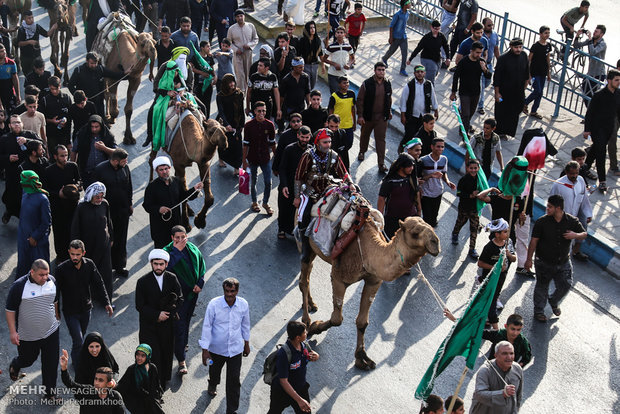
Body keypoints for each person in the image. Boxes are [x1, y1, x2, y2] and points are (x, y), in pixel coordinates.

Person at [294, 128, 354, 260]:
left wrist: (351, 183)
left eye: (329, 142)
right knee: (303, 216)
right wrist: (297, 197)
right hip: (309, 191)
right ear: (317, 143)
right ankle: (305, 247)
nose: (328, 144)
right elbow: (298, 177)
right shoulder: (307, 156)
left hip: (327, 189)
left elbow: (343, 173)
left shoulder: (333, 156)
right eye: (325, 142)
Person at [525, 195, 586, 322]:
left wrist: (575, 235)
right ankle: (539, 311)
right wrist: (529, 259)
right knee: (542, 286)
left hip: (563, 262)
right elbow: (533, 241)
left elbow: (584, 233)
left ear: (558, 208)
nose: (547, 208)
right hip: (543, 262)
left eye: (550, 207)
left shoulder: (571, 221)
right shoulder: (542, 222)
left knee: (566, 284)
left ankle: (553, 300)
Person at [6, 259, 60, 401]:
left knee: (51, 363)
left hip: (51, 332)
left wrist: (56, 317)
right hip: (28, 335)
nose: (45, 278)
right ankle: (16, 364)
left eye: (47, 274)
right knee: (27, 360)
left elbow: (54, 301)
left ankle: (50, 393)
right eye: (41, 275)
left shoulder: (52, 281)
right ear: (32, 272)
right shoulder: (19, 286)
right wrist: (13, 332)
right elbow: (10, 310)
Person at [56, 240, 113, 365]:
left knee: (79, 339)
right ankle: (78, 368)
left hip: (86, 310)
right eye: (72, 254)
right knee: (79, 341)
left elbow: (99, 283)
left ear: (83, 253)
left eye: (78, 254)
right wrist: (56, 312)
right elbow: (56, 292)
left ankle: (75, 358)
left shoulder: (89, 265)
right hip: (70, 312)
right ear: (69, 253)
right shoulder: (62, 269)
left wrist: (106, 302)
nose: (75, 257)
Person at [200, 277, 251, 414]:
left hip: (235, 350)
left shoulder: (243, 305)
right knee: (214, 370)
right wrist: (205, 350)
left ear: (237, 291)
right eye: (227, 291)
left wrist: (246, 343)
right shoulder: (213, 305)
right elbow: (206, 327)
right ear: (223, 290)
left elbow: (245, 325)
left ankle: (231, 409)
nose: (229, 294)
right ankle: (213, 383)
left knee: (234, 380)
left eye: (232, 291)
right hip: (216, 349)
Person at [136, 249, 184, 388]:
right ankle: (152, 384)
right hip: (149, 326)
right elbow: (140, 305)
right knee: (152, 356)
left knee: (165, 353)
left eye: (161, 264)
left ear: (166, 264)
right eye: (155, 264)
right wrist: (157, 315)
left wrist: (168, 313)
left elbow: (180, 299)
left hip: (167, 326)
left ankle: (162, 381)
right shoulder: (142, 282)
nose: (158, 267)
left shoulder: (172, 278)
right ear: (151, 263)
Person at [162, 225, 206, 375]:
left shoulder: (193, 249)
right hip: (177, 299)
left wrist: (200, 282)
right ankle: (181, 360)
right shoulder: (167, 253)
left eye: (183, 237)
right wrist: (177, 252)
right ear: (172, 239)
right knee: (180, 326)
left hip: (192, 295)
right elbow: (164, 272)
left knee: (186, 320)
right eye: (177, 238)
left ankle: (183, 344)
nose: (181, 240)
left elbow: (201, 265)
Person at [143, 155, 204, 247]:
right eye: (161, 170)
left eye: (166, 169)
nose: (164, 172)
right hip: (160, 228)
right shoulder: (152, 187)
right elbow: (147, 205)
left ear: (169, 168)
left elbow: (183, 197)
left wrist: (194, 189)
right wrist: (159, 209)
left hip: (175, 224)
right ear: (157, 171)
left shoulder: (176, 181)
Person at [71, 182, 114, 302]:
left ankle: (106, 300)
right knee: (87, 272)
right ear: (91, 196)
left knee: (106, 273)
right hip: (88, 246)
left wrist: (111, 239)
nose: (100, 199)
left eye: (101, 196)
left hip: (103, 244)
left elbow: (108, 222)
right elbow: (75, 228)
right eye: (97, 197)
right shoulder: (81, 207)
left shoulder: (104, 204)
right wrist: (76, 247)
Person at [93, 148, 133, 277]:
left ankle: (120, 265)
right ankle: (105, 267)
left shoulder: (125, 168)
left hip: (122, 210)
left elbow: (129, 186)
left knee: (121, 239)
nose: (125, 163)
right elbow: (94, 191)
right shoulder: (100, 169)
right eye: (123, 161)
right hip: (106, 212)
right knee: (107, 239)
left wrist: (130, 204)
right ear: (115, 161)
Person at [268, 321, 319, 414]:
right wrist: (299, 400)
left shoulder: (303, 344)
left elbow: (309, 355)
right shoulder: (284, 354)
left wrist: (316, 356)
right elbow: (283, 381)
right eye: (304, 332)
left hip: (300, 387)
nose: (307, 333)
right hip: (281, 392)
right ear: (297, 337)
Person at [583, 69, 620, 192]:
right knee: (601, 153)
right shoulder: (599, 95)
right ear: (609, 80)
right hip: (597, 129)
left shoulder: (618, 94)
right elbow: (590, 113)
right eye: (616, 80)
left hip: (609, 128)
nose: (618, 82)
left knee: (596, 149)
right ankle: (603, 181)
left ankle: (584, 168)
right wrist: (587, 130)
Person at [0, 115, 41, 223]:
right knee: (11, 198)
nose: (17, 124)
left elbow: (41, 147)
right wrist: (7, 158)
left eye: (18, 122)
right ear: (9, 125)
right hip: (12, 175)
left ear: (22, 124)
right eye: (14, 123)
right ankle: (9, 212)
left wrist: (27, 141)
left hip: (29, 174)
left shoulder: (30, 135)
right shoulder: (4, 139)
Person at [42, 145, 80, 262]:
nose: (65, 158)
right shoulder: (49, 171)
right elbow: (45, 190)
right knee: (59, 233)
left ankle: (72, 255)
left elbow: (78, 180)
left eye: (66, 155)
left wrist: (76, 186)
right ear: (55, 156)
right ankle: (61, 256)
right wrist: (58, 194)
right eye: (62, 156)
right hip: (57, 208)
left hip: (72, 206)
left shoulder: (72, 166)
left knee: (72, 232)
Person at [477, 218, 517, 328]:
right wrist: (495, 268)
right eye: (504, 232)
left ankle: (484, 317)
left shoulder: (509, 244)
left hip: (502, 277)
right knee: (492, 297)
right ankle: (494, 323)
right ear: (497, 234)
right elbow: (480, 263)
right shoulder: (489, 247)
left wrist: (509, 254)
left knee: (492, 296)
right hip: (490, 277)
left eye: (507, 231)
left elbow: (514, 259)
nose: (507, 234)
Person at [551, 161, 592, 262]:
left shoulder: (581, 180)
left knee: (579, 234)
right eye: (571, 174)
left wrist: (588, 213)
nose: (574, 176)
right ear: (566, 172)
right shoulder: (558, 184)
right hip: (561, 219)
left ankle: (574, 252)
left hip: (574, 217)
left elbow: (584, 198)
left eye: (576, 173)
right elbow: (551, 204)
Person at [59, 349, 125, 412]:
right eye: (96, 379)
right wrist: (64, 368)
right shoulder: (87, 391)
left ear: (108, 383)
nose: (96, 383)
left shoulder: (115, 397)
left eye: (101, 380)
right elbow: (70, 383)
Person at [356, 61, 392, 172]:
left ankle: (381, 163)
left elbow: (389, 98)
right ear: (374, 71)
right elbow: (360, 100)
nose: (381, 72)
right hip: (368, 117)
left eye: (383, 70)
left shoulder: (387, 83)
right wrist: (360, 115)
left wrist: (388, 111)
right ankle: (362, 151)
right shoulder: (367, 83)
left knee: (381, 140)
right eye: (379, 70)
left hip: (382, 118)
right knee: (365, 135)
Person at [68, 52, 128, 119]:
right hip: (84, 105)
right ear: (87, 61)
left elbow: (114, 75)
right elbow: (70, 85)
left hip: (98, 105)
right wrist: (79, 98)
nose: (94, 65)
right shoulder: (79, 71)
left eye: (95, 63)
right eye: (91, 63)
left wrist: (125, 73)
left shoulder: (100, 69)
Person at [242, 101, 276, 215]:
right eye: (259, 111)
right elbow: (245, 144)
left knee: (268, 182)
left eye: (264, 111)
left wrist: (277, 158)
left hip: (265, 158)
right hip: (253, 158)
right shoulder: (248, 126)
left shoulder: (270, 125)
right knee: (253, 182)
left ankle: (265, 203)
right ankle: (255, 202)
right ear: (254, 112)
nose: (262, 113)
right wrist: (244, 161)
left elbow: (272, 143)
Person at [277, 126, 311, 239]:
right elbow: (282, 168)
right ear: (298, 136)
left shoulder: (311, 151)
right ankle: (281, 229)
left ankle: (294, 229)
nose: (304, 140)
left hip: (303, 187)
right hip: (288, 185)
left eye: (307, 137)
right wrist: (284, 185)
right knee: (284, 208)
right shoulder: (289, 149)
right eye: (302, 137)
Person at [450, 41, 491, 137]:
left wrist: (484, 69)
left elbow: (489, 75)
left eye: (480, 52)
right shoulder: (464, 61)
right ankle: (465, 134)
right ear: (471, 51)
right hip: (464, 92)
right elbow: (456, 76)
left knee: (470, 113)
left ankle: (463, 127)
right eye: (477, 52)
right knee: (466, 114)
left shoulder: (481, 62)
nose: (479, 55)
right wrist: (453, 92)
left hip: (476, 92)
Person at [470, 341, 522, 414]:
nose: (509, 357)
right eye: (504, 353)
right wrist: (503, 393)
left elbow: (518, 395)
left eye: (511, 353)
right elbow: (479, 394)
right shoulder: (485, 371)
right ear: (496, 355)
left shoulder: (517, 369)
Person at [378, 153, 421, 239]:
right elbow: (382, 199)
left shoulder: (412, 179)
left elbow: (417, 194)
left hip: (410, 218)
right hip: (393, 220)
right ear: (401, 167)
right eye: (409, 166)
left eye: (412, 166)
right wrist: (379, 218)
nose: (412, 168)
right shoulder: (389, 181)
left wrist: (419, 211)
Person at [16, 170, 51, 276]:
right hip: (23, 238)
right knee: (23, 268)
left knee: (39, 272)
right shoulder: (25, 193)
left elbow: (46, 222)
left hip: (37, 242)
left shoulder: (42, 199)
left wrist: (35, 237)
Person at [493, 38, 529, 139]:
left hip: (518, 91)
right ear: (511, 47)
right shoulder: (503, 59)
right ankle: (499, 132)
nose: (518, 49)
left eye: (520, 47)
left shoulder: (524, 55)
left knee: (516, 110)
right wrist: (497, 93)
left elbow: (526, 72)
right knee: (502, 112)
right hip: (504, 92)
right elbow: (497, 77)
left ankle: (508, 131)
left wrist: (525, 86)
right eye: (516, 47)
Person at [115, 344, 165, 413]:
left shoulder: (152, 367)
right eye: (137, 354)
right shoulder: (131, 369)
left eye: (143, 356)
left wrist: (154, 398)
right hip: (135, 398)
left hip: (149, 397)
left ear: (148, 356)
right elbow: (122, 385)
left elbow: (155, 385)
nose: (139, 358)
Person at [399, 65, 438, 151]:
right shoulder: (409, 86)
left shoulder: (428, 84)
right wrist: (403, 115)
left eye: (421, 72)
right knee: (409, 135)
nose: (420, 74)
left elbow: (433, 97)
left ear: (424, 73)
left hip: (423, 116)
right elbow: (403, 101)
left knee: (421, 136)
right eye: (418, 72)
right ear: (414, 73)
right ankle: (401, 148)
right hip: (412, 115)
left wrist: (436, 110)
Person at [71, 114, 116, 187]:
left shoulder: (108, 136)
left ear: (101, 126)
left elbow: (116, 152)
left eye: (96, 127)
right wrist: (73, 169)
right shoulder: (82, 135)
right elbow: (74, 151)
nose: (94, 129)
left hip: (104, 172)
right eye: (92, 127)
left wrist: (104, 148)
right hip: (87, 172)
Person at [419, 138, 456, 227]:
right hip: (426, 193)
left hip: (438, 192)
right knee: (426, 218)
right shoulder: (423, 160)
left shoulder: (444, 159)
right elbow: (420, 178)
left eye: (442, 147)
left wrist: (447, 182)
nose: (440, 149)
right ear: (432, 147)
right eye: (438, 147)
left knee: (434, 217)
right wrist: (431, 175)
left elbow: (443, 173)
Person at [451, 159, 482, 259]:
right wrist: (470, 195)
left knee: (474, 228)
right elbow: (459, 193)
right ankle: (455, 233)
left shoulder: (480, 180)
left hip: (474, 209)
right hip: (464, 207)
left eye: (475, 168)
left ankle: (472, 249)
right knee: (460, 222)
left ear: (478, 168)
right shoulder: (463, 180)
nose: (473, 170)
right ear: (467, 168)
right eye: (471, 168)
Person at [216, 73, 244, 170]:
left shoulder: (239, 93)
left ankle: (237, 167)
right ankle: (221, 159)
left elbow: (241, 110)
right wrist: (226, 124)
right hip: (224, 123)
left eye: (233, 81)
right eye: (229, 82)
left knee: (238, 146)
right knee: (224, 144)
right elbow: (221, 111)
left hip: (236, 122)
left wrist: (242, 124)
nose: (232, 84)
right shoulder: (220, 95)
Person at [39, 75, 72, 159]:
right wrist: (51, 121)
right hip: (51, 134)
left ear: (60, 86)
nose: (54, 91)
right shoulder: (45, 100)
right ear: (49, 87)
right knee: (54, 156)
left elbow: (71, 116)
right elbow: (40, 119)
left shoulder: (67, 98)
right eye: (52, 89)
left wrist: (66, 121)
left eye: (56, 89)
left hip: (64, 133)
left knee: (64, 157)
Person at [523, 26, 551, 119]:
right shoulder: (535, 46)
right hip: (535, 72)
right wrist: (529, 74)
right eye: (545, 33)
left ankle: (534, 111)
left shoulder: (548, 46)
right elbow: (529, 60)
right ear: (540, 34)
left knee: (540, 93)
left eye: (548, 33)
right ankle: (525, 103)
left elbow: (548, 59)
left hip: (543, 72)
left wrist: (549, 73)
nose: (547, 35)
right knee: (537, 91)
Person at [575, 24, 607, 106]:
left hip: (599, 74)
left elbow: (593, 52)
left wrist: (589, 39)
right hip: (590, 73)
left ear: (601, 34)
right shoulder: (591, 41)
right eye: (594, 31)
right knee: (584, 92)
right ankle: (589, 114)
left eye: (597, 32)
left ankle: (591, 116)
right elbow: (576, 45)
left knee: (592, 96)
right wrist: (577, 35)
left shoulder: (603, 44)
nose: (594, 33)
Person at [227, 9, 258, 93]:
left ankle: (250, 92)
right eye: (238, 16)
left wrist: (249, 45)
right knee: (240, 75)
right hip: (238, 55)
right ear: (235, 18)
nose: (240, 18)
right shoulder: (231, 29)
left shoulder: (250, 26)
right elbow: (228, 42)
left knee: (249, 73)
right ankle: (241, 93)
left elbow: (255, 39)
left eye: (241, 16)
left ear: (244, 16)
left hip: (248, 53)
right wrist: (236, 50)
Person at [16, 10, 54, 76]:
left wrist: (53, 27)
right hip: (26, 57)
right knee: (28, 75)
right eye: (29, 18)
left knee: (39, 74)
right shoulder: (21, 30)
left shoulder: (37, 27)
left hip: (36, 56)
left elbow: (47, 34)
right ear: (24, 19)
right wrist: (29, 42)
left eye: (32, 17)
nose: (31, 20)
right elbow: (19, 43)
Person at [327, 76, 355, 160]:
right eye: (344, 83)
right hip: (338, 126)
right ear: (339, 84)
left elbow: (353, 108)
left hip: (348, 124)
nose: (346, 84)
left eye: (347, 82)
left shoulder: (352, 94)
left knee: (349, 143)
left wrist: (354, 122)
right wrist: (330, 123)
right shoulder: (334, 96)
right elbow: (330, 109)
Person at [382, 0, 410, 77]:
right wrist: (391, 37)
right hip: (396, 36)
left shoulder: (407, 14)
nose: (410, 5)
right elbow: (391, 26)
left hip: (403, 36)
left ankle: (402, 69)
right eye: (409, 4)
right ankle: (384, 58)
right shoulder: (397, 15)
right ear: (405, 5)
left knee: (405, 53)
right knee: (392, 50)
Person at [323, 26, 355, 94]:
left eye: (341, 32)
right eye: (338, 32)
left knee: (343, 93)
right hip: (333, 74)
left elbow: (352, 58)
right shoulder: (331, 47)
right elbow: (324, 59)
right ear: (335, 34)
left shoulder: (348, 46)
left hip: (343, 73)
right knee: (334, 94)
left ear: (344, 34)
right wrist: (334, 64)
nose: (340, 34)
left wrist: (348, 64)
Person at [297, 21, 324, 92]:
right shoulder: (303, 40)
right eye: (310, 28)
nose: (312, 29)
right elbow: (299, 54)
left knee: (313, 83)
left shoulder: (317, 40)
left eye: (314, 27)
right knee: (307, 84)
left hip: (315, 65)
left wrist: (323, 65)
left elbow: (320, 53)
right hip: (306, 65)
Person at [193, 40, 216, 118]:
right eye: (208, 46)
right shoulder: (196, 57)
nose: (209, 48)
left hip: (208, 85)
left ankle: (207, 120)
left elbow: (212, 68)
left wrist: (215, 76)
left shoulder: (210, 57)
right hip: (198, 85)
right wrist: (201, 73)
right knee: (199, 104)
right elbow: (192, 68)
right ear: (202, 48)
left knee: (207, 104)